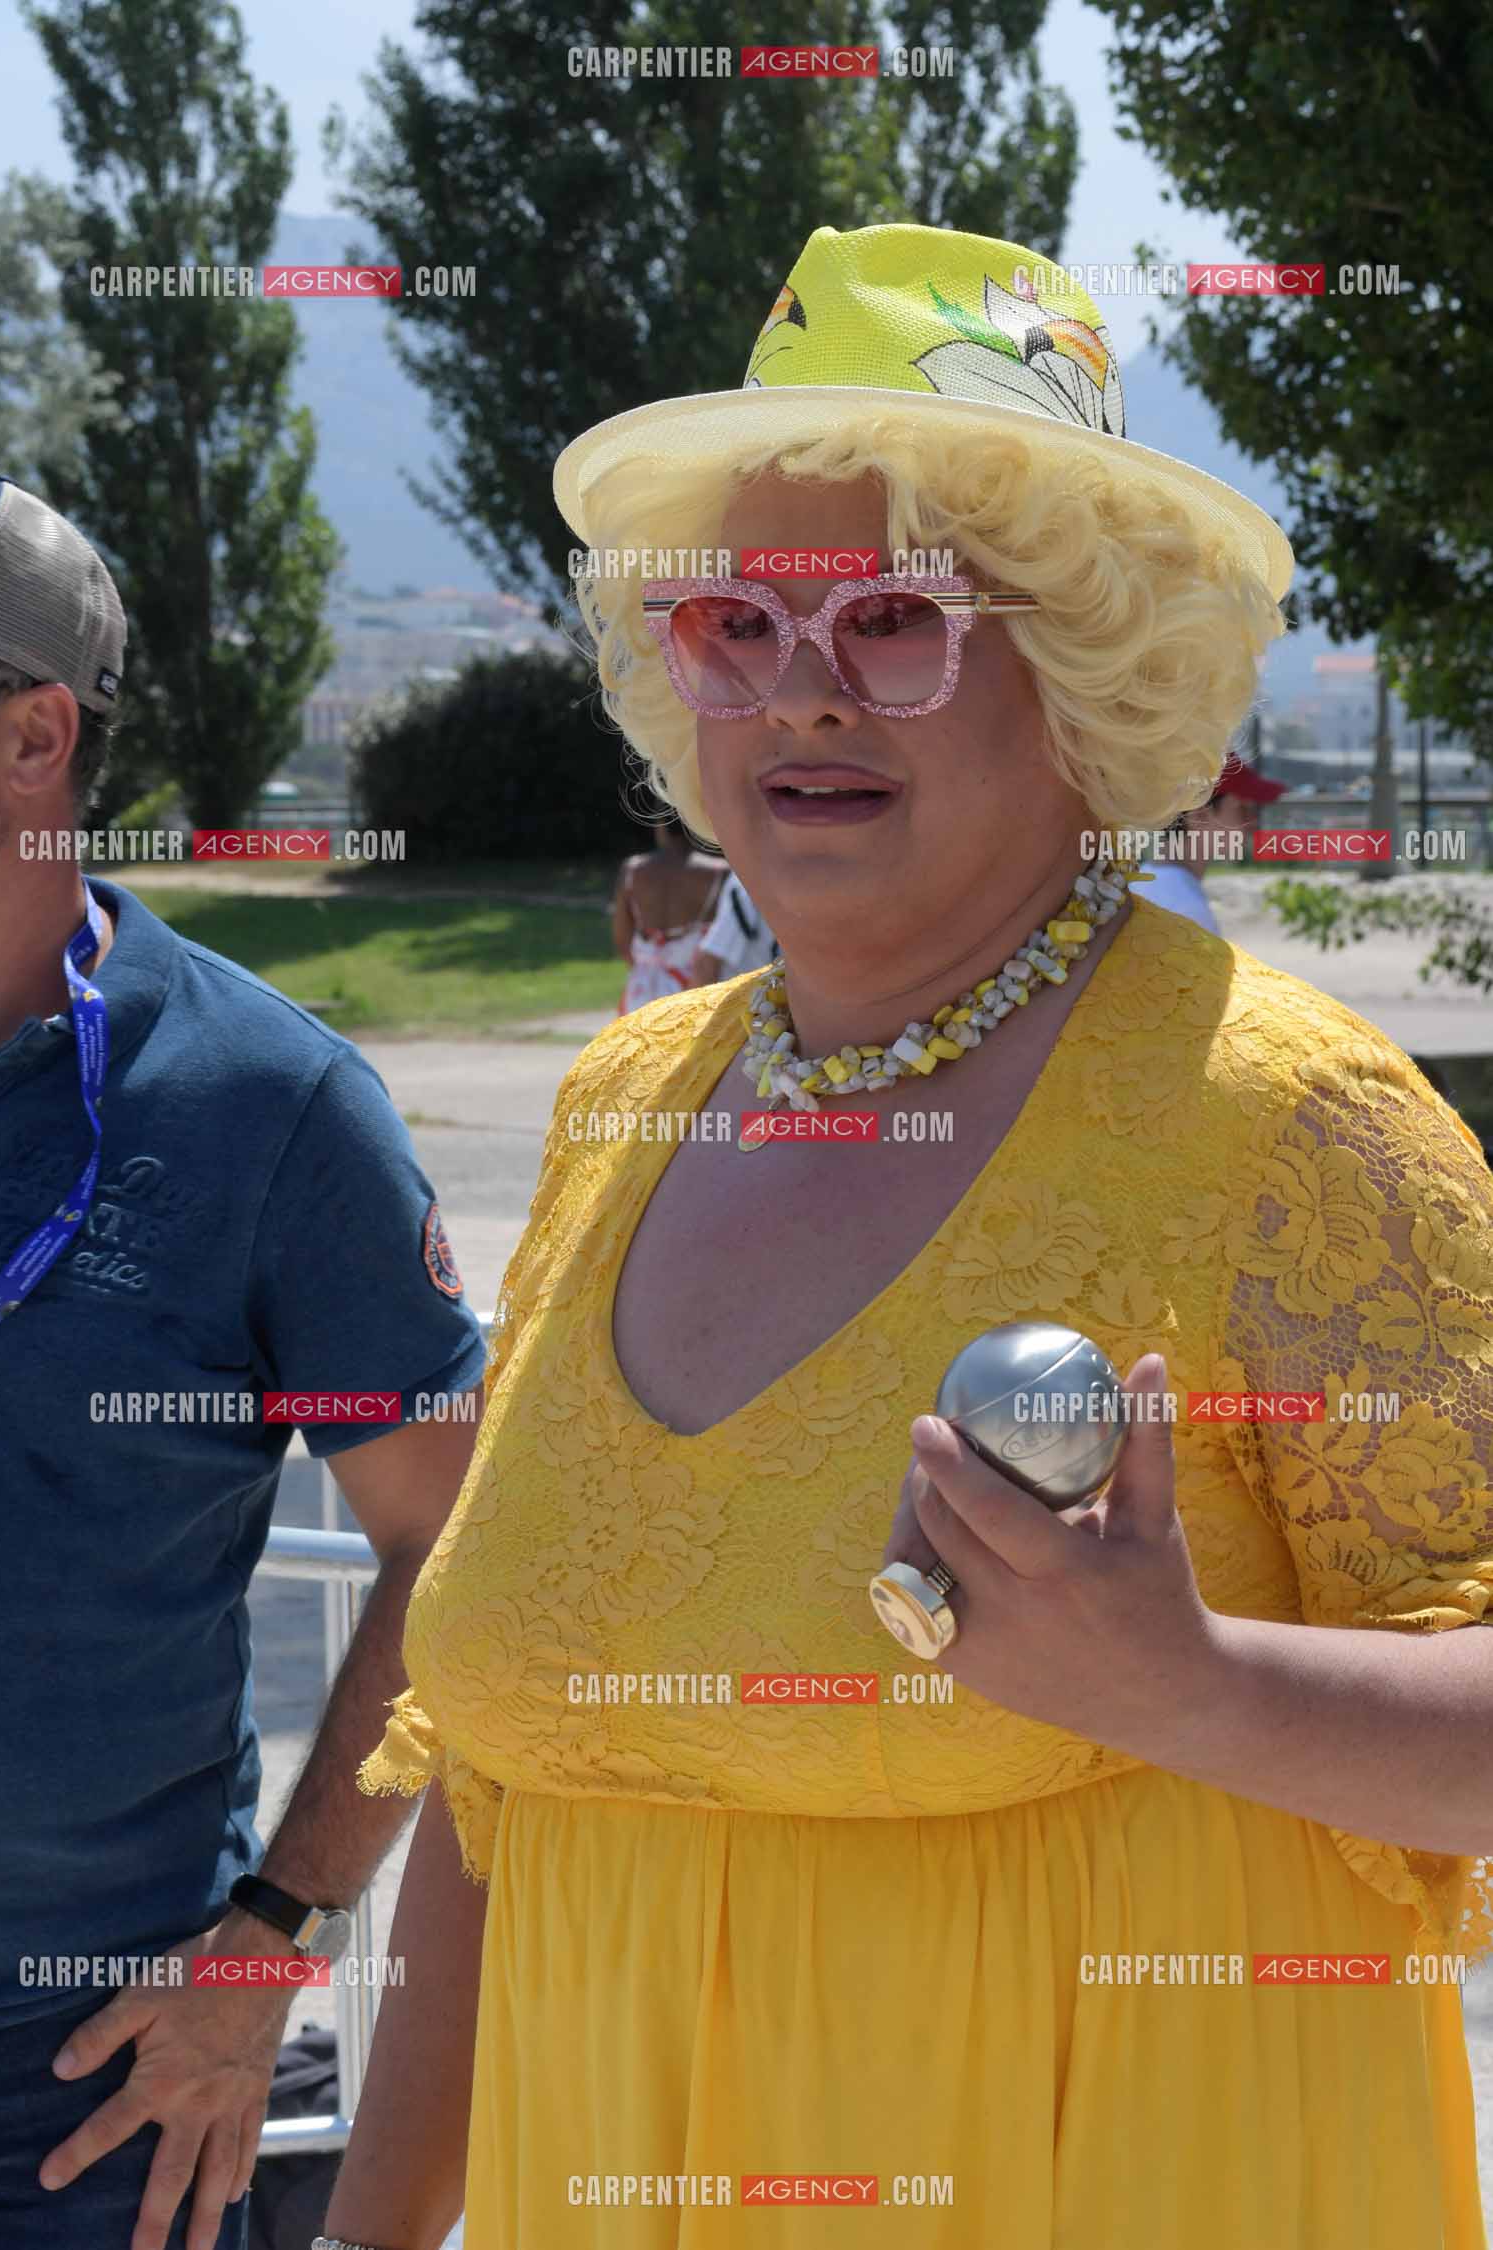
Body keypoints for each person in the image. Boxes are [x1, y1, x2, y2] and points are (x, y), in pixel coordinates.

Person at [326, 225, 1493, 2250]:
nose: (802, 693)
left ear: (1082, 664)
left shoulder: (1288, 1121)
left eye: (894, 622)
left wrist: (1191, 1688)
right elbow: (504, 1798)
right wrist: (363, 2234)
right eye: (737, 630)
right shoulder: (628, 1106)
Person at [0, 477, 489, 2250]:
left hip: (91, 2104)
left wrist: (274, 1934)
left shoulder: (268, 1113)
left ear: (34, 735)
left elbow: (456, 1540)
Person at [1139, 750, 1288, 930]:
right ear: (1199, 815)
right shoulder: (1187, 908)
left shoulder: (1144, 882)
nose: (1252, 824)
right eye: (1243, 810)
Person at [611, 814, 725, 1012]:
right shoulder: (718, 873)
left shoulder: (633, 870)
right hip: (696, 991)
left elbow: (622, 939)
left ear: (660, 825)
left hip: (641, 992)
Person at [693, 867, 778, 983]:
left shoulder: (748, 877)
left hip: (758, 992)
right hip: (762, 991)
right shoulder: (747, 879)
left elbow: (707, 963)